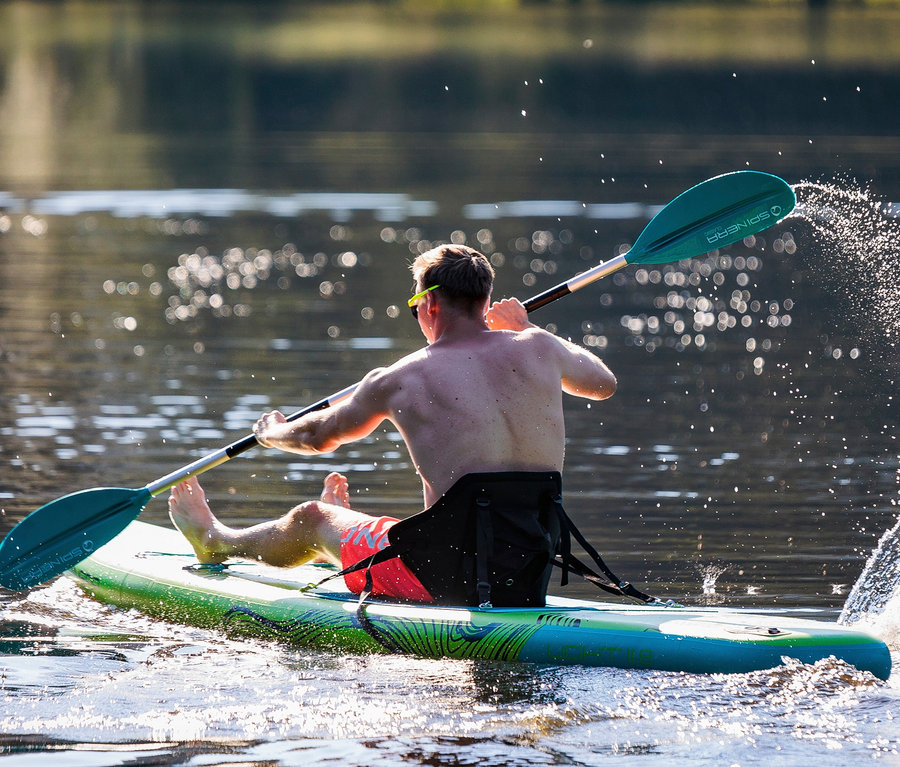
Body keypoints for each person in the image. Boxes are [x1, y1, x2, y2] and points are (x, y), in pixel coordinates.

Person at [168, 244, 617, 604]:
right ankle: (339, 544)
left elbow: (316, 436)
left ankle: (215, 540)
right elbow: (603, 384)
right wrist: (526, 329)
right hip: (528, 571)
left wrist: (272, 434)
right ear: (483, 301)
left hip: (444, 578)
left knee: (311, 517)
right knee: (422, 521)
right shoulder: (540, 347)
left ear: (429, 304)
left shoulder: (401, 378)